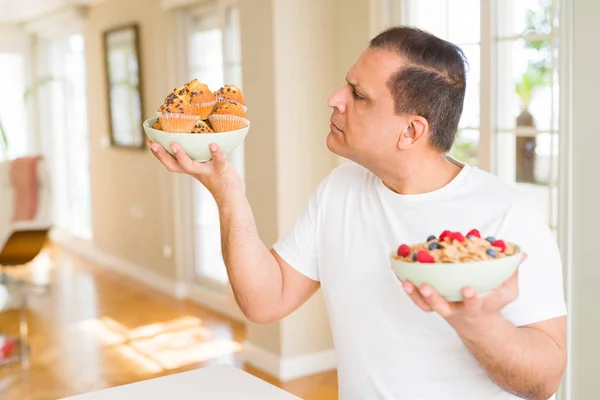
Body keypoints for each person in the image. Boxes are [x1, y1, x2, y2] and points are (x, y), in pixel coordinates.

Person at [148, 26, 567, 400]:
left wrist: (478, 323)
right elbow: (264, 300)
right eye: (346, 85)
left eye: (358, 95)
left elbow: (545, 380)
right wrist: (227, 193)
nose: (335, 99)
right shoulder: (340, 191)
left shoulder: (508, 215)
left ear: (411, 131)